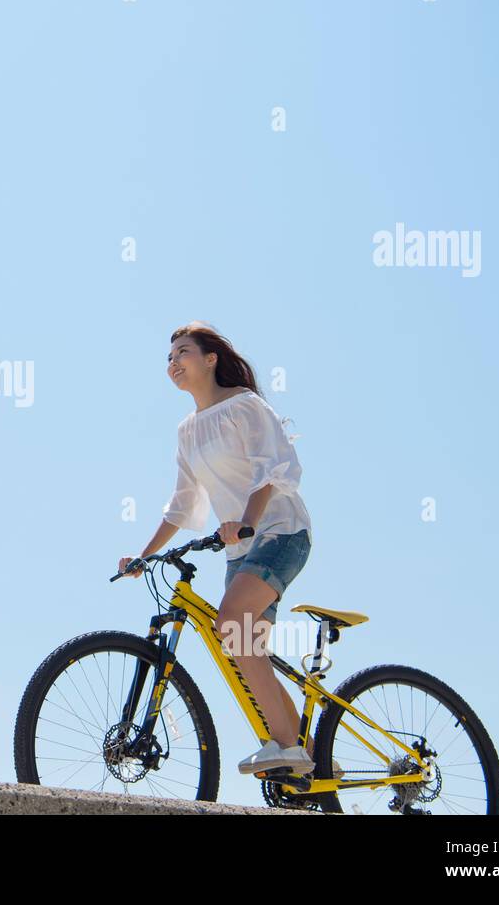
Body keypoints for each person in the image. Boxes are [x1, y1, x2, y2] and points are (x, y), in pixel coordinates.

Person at [118, 321, 319, 777]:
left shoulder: (244, 405)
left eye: (183, 352)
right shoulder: (187, 431)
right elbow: (182, 504)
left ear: (211, 359)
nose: (174, 362)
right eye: (169, 357)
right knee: (244, 648)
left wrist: (247, 522)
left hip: (281, 533)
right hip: (240, 551)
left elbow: (273, 471)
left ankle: (285, 747)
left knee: (232, 624)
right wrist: (144, 555)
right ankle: (314, 763)